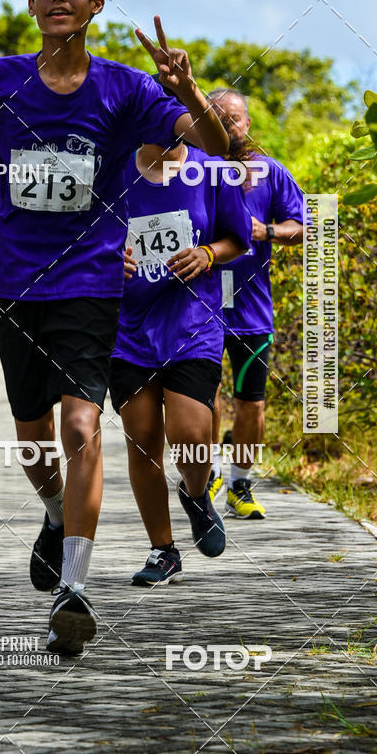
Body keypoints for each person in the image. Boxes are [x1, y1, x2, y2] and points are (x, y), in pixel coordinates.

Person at [0, 0, 229, 655]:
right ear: (32, 2)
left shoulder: (127, 90)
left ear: (95, 3)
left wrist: (189, 92)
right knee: (36, 441)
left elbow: (218, 145)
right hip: (13, 283)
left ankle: (74, 587)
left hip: (92, 284)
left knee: (81, 430)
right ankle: (50, 512)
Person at [110, 94, 251, 585]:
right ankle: (163, 550)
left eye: (179, 118)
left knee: (192, 436)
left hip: (193, 322)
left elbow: (238, 239)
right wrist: (109, 259)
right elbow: (81, 236)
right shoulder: (113, 169)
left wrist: (209, 255)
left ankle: (195, 492)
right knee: (142, 439)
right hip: (125, 329)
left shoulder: (212, 170)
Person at [205, 88, 305, 519]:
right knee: (202, 398)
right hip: (200, 307)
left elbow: (302, 225)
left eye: (235, 118)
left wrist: (266, 231)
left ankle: (240, 483)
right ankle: (207, 473)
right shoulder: (193, 171)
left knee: (252, 402)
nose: (229, 125)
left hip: (250, 310)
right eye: (218, 118)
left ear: (248, 123)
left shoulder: (270, 172)